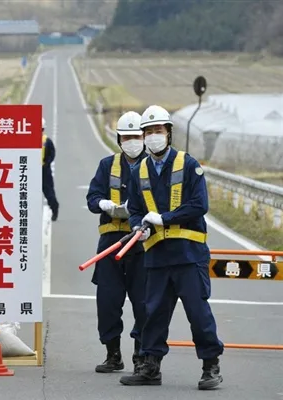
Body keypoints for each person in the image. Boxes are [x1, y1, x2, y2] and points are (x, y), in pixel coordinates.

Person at [119, 105, 224, 390]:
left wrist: (165, 218)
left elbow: (199, 205)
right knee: (152, 313)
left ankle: (210, 366)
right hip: (156, 256)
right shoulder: (139, 169)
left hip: (188, 256)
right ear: (143, 136)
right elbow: (136, 210)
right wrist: (138, 227)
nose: (154, 136)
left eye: (158, 131)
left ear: (168, 133)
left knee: (198, 314)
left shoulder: (189, 165)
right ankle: (150, 367)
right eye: (149, 132)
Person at [86, 111, 147, 374]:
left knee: (144, 302)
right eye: (127, 137)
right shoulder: (107, 165)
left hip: (143, 243)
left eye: (137, 136)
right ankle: (113, 354)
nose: (132, 141)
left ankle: (141, 355)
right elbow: (92, 197)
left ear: (143, 137)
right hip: (111, 242)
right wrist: (103, 204)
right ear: (119, 139)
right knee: (108, 301)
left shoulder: (154, 166)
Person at [42, 118, 59, 221]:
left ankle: (54, 209)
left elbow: (52, 154)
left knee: (49, 193)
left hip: (44, 171)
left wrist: (46, 164)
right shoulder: (27, 140)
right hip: (32, 171)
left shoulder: (47, 141)